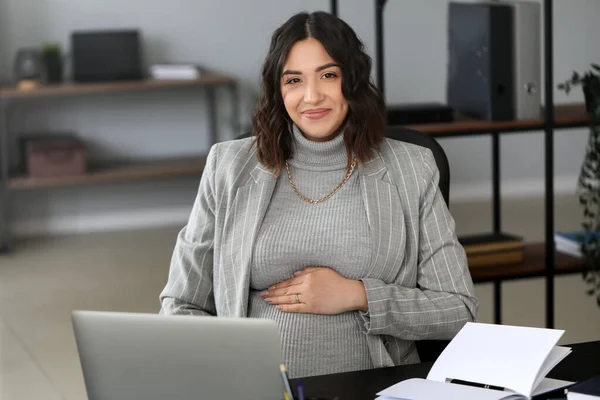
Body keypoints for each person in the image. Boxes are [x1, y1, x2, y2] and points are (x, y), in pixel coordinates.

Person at [159, 11, 478, 379]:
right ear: (278, 91)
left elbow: (459, 310)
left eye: (329, 75)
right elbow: (181, 304)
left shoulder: (413, 167)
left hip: (372, 385)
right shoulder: (228, 166)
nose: (311, 97)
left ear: (353, 81)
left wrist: (360, 295)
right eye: (294, 80)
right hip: (256, 385)